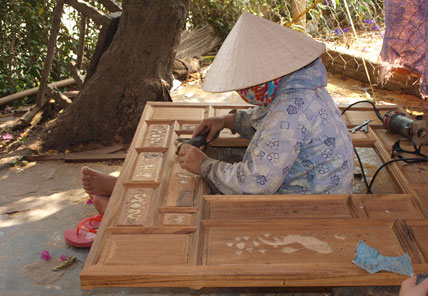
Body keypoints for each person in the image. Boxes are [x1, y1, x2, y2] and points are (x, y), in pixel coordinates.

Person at [81, 12, 354, 212]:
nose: (243, 92)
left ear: (266, 78)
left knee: (193, 200)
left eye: (246, 84)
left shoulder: (291, 111)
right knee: (196, 172)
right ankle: (123, 190)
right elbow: (266, 121)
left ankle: (122, 198)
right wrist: (229, 121)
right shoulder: (298, 88)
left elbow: (254, 185)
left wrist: (206, 166)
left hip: (312, 207)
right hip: (314, 191)